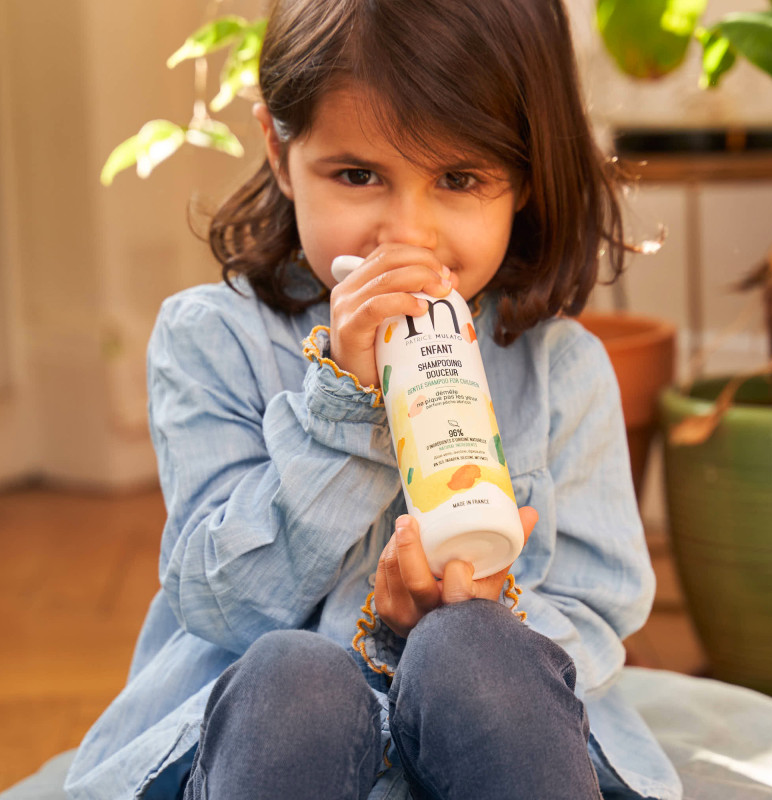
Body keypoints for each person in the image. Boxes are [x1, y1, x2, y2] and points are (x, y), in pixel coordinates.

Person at [65, 0, 683, 797]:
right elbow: (218, 602)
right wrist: (348, 405)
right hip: (277, 744)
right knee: (294, 675)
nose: (408, 234)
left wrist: (483, 611)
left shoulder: (561, 368)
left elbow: (601, 610)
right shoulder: (209, 340)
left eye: (458, 179)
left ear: (524, 179)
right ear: (281, 152)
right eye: (358, 175)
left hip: (482, 743)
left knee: (474, 650)